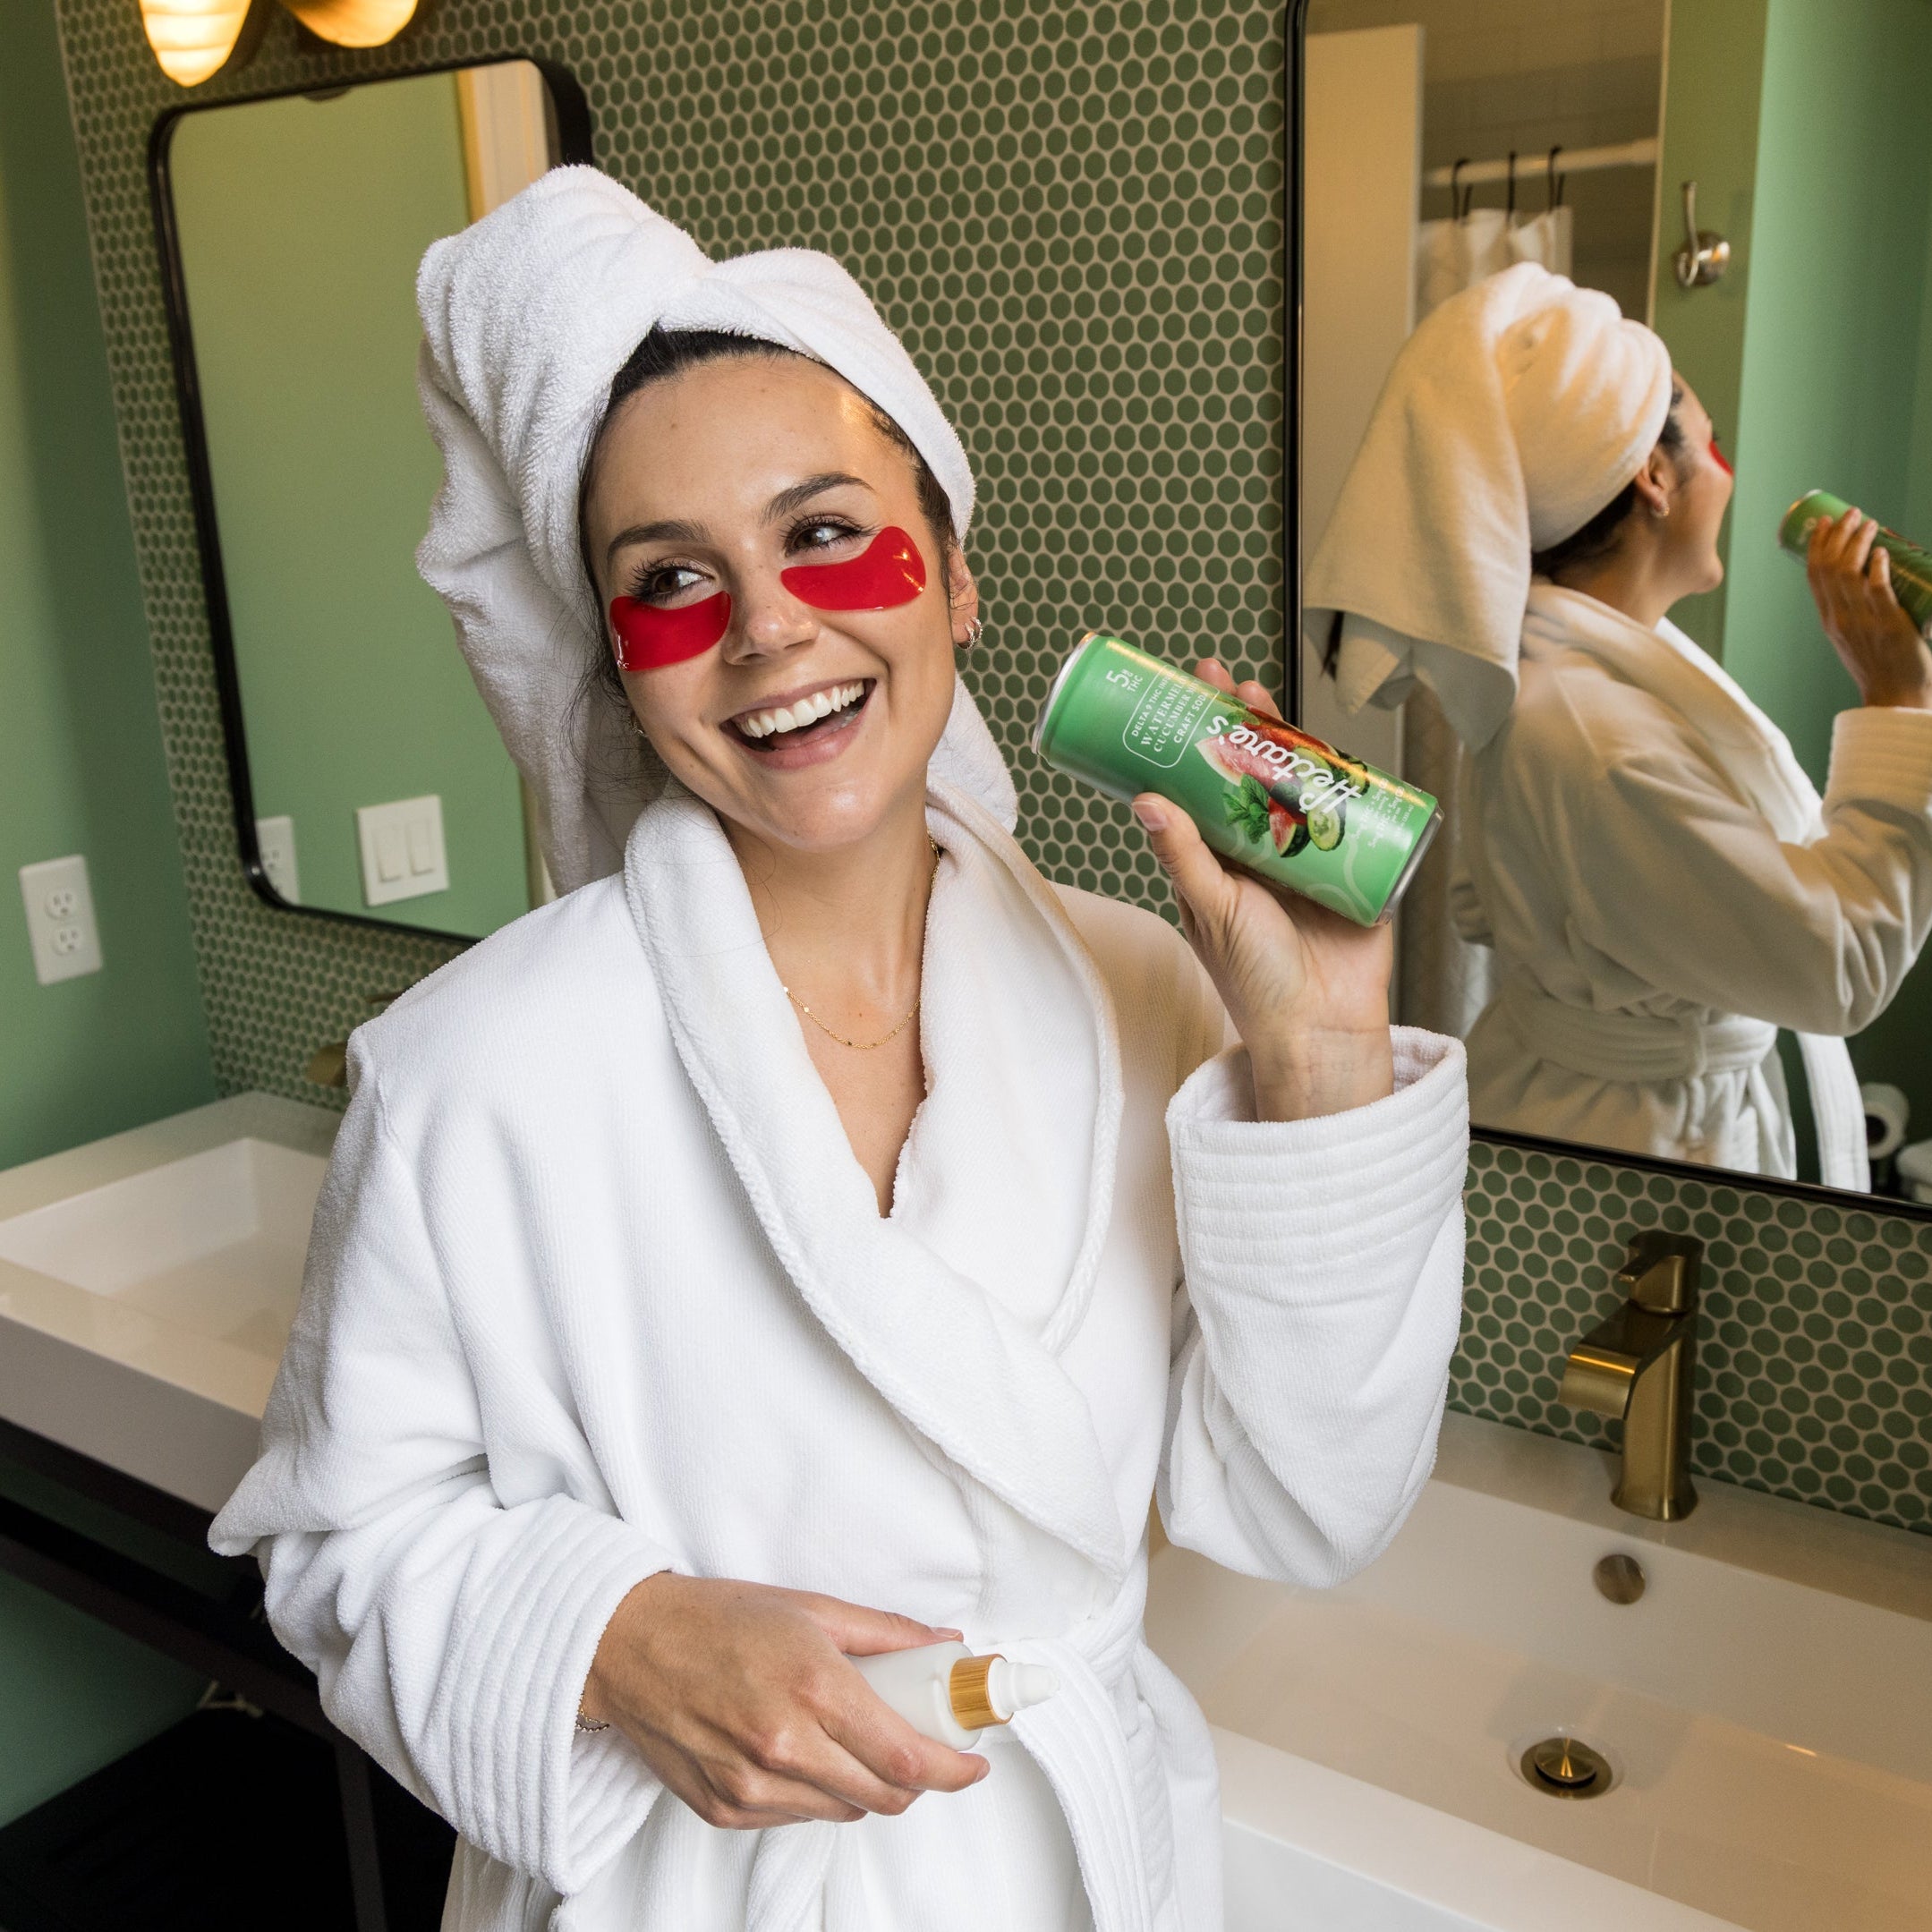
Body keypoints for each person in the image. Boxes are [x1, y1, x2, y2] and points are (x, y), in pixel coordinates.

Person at [209, 168, 1468, 1932]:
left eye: (822, 533)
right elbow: (336, 1538)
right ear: (617, 665)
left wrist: (1320, 1057)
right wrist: (612, 1635)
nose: (768, 627)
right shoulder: (471, 1069)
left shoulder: (1146, 997)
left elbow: (1304, 1511)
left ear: (952, 579)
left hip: (1069, 1871)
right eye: (671, 578)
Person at [1305, 262, 1932, 1186]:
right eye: (1712, 445)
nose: (1728, 473)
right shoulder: (1592, 732)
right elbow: (1837, 967)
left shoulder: (1587, 675)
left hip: (1615, 1113)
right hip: (1625, 1160)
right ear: (1654, 474)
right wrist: (1897, 701)